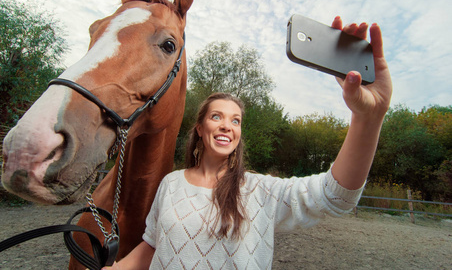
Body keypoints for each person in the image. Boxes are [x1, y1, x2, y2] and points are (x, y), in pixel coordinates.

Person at [102, 16, 392, 270]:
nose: (227, 124)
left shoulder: (259, 191)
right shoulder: (170, 184)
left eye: (236, 120)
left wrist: (368, 119)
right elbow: (152, 247)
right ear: (200, 129)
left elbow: (336, 196)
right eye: (217, 116)